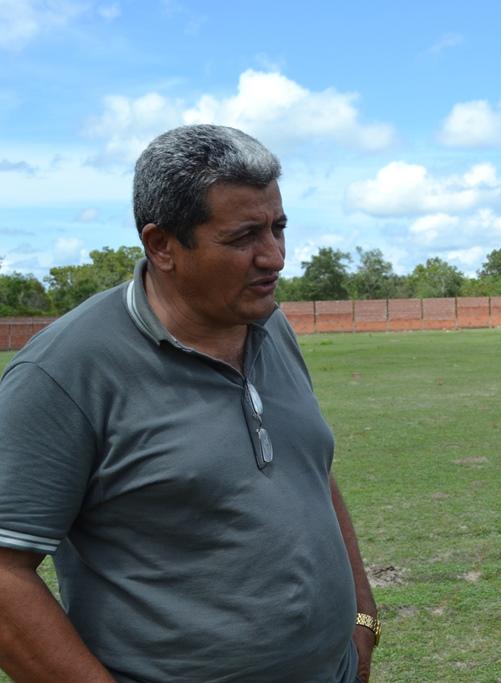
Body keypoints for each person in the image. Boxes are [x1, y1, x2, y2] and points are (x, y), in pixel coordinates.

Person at [0, 125, 379, 682]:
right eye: (244, 236)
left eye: (278, 227)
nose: (273, 257)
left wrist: (362, 619)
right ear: (162, 246)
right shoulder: (66, 372)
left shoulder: (270, 326)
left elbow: (310, 468)